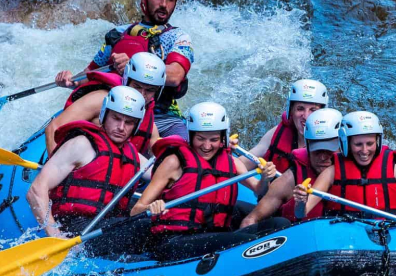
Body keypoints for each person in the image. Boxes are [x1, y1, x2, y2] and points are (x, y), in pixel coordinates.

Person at [130, 102, 286, 260]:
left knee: (280, 224)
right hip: (174, 241)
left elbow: (259, 189)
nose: (206, 146)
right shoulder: (174, 162)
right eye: (200, 138)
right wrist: (152, 207)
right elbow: (136, 209)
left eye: (213, 139)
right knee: (248, 244)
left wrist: (266, 178)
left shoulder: (231, 161)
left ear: (223, 138)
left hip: (212, 235)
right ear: (190, 135)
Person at [55, 0, 193, 139]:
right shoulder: (118, 34)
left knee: (187, 157)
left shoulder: (178, 37)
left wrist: (133, 66)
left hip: (162, 117)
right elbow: (92, 74)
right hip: (120, 114)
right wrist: (71, 80)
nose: (164, 4)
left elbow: (176, 75)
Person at [27, 86, 152, 255]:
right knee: (144, 225)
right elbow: (36, 190)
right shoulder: (82, 144)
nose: (121, 127)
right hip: (76, 228)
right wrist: (56, 235)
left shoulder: (133, 156)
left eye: (128, 122)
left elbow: (165, 175)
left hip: (106, 225)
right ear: (104, 115)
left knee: (158, 220)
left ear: (135, 126)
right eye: (116, 118)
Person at [292, 111, 396, 229]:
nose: (364, 150)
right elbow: (300, 213)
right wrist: (301, 202)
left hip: (390, 237)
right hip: (347, 238)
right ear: (346, 143)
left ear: (377, 142)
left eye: (370, 143)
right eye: (358, 144)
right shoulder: (331, 173)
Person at [44, 52, 164, 157]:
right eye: (137, 86)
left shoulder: (149, 124)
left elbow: (158, 156)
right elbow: (53, 128)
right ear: (127, 80)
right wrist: (56, 169)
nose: (142, 94)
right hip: (77, 164)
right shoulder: (100, 99)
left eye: (149, 90)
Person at [240, 108, 343, 228]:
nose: (323, 157)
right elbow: (250, 220)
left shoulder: (358, 169)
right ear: (308, 147)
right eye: (317, 151)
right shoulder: (290, 179)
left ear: (342, 147)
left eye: (329, 151)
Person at [238, 78, 329, 174]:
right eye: (300, 109)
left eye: (313, 110)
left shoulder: (333, 144)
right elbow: (242, 163)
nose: (306, 116)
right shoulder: (277, 133)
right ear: (291, 111)